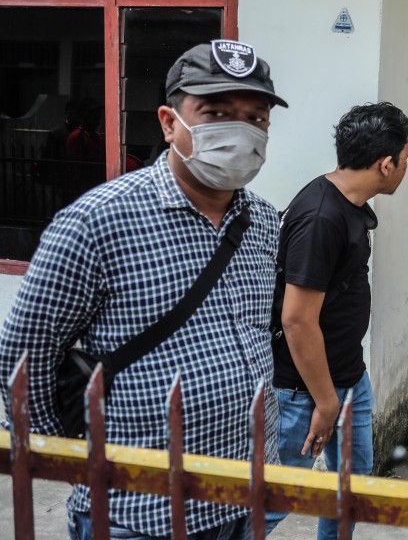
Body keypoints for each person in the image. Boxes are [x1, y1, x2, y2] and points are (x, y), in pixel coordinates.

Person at [0, 39, 287, 539]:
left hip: (244, 494)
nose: (240, 131)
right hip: (138, 511)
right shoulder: (97, 221)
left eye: (256, 117)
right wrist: (61, 452)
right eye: (216, 111)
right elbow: (24, 353)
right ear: (169, 122)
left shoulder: (262, 221)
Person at [267, 102, 408, 539]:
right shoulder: (321, 217)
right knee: (275, 499)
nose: (406, 169)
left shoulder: (348, 204)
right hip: (305, 389)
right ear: (386, 165)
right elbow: (296, 320)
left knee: (350, 488)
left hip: (348, 374)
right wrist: (326, 402)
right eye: (405, 161)